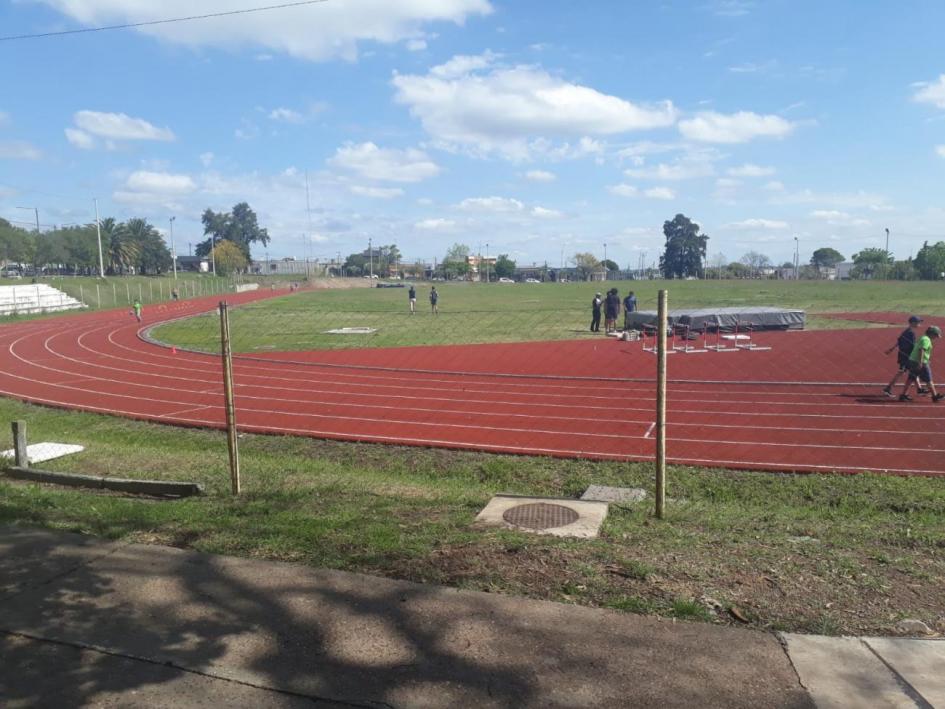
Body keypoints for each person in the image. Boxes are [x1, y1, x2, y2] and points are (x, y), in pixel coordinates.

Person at [884, 315, 925, 397]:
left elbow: (899, 341)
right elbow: (912, 345)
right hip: (906, 356)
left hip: (904, 354)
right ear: (913, 323)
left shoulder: (907, 331)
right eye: (918, 322)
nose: (919, 324)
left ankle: (919, 389)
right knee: (902, 372)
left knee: (913, 371)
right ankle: (888, 388)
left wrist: (892, 349)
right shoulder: (911, 333)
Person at [899, 325, 942, 402]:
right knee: (929, 379)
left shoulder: (923, 337)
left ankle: (903, 395)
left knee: (911, 378)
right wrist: (921, 362)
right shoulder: (926, 340)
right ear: (932, 334)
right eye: (936, 335)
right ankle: (935, 396)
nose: (936, 337)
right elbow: (921, 350)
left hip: (913, 360)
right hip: (918, 362)